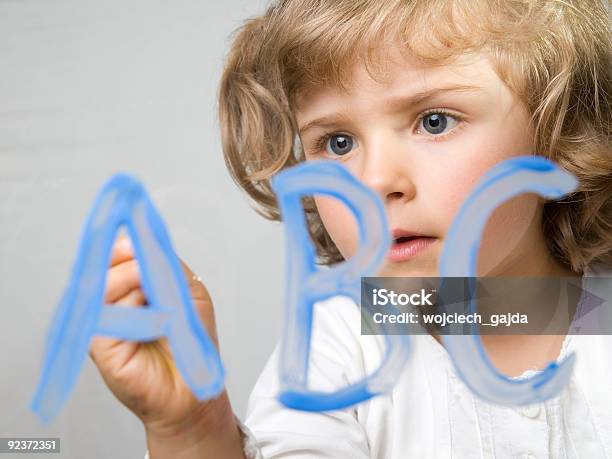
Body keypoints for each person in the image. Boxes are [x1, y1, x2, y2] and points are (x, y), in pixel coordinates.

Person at [90, 0, 612, 457]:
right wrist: (193, 431)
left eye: (435, 121)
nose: (375, 181)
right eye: (337, 143)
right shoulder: (337, 347)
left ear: (560, 129)